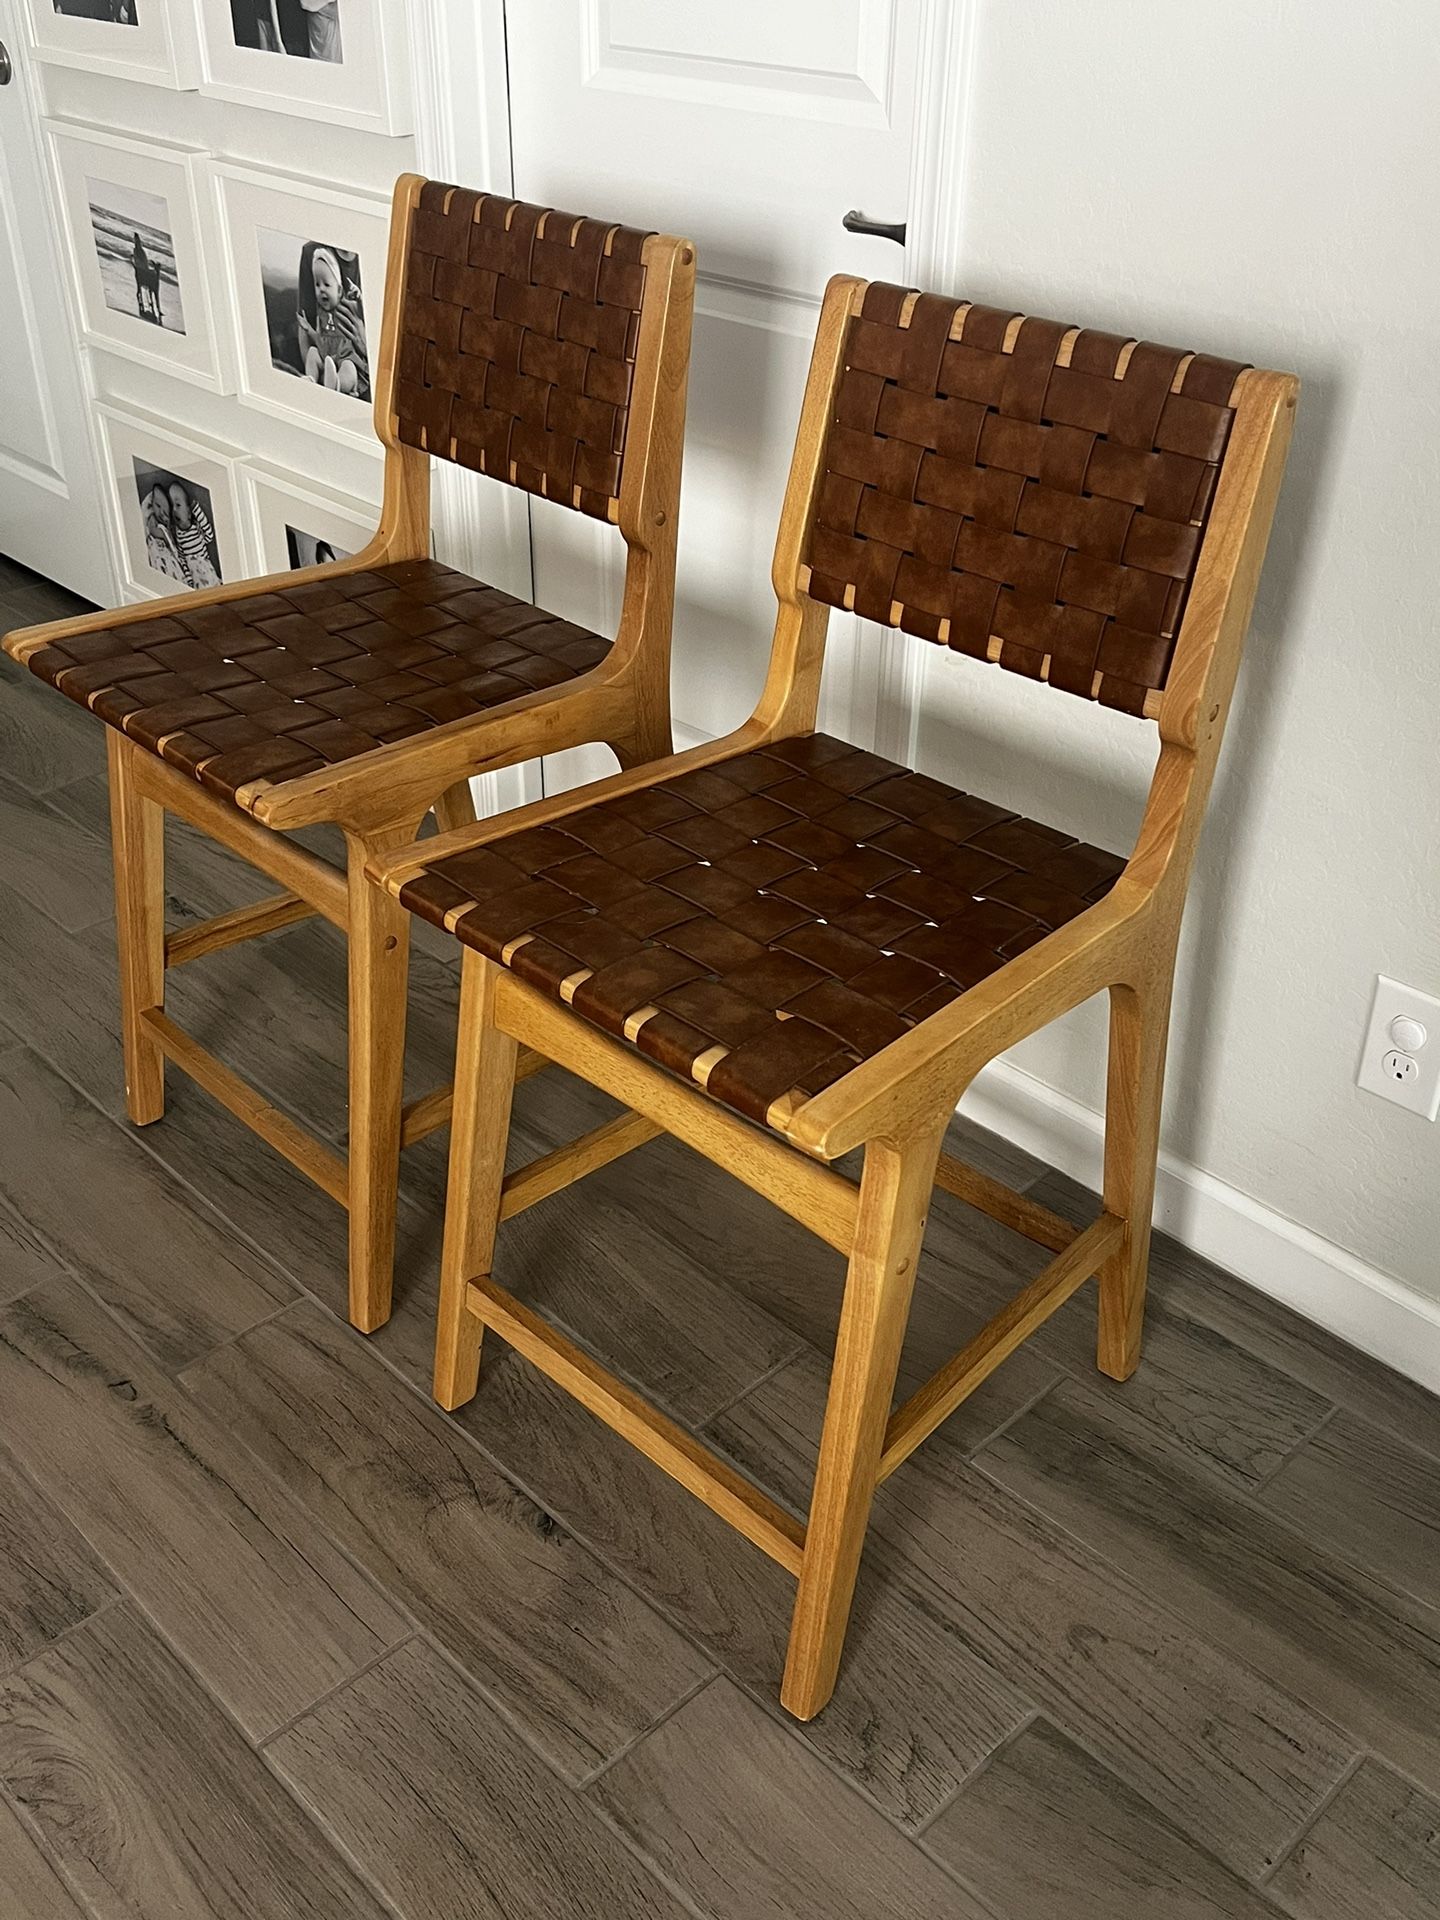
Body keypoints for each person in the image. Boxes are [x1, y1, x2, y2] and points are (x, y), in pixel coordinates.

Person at [297, 243, 368, 397]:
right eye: (317, 285)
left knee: (349, 367)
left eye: (327, 285)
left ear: (339, 290)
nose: (321, 289)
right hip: (326, 355)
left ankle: (339, 383)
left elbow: (364, 314)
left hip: (346, 355)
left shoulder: (348, 301)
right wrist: (308, 328)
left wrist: (360, 300)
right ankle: (311, 378)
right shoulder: (322, 313)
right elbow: (316, 337)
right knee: (312, 353)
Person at [167, 481, 221, 589]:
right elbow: (182, 558)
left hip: (204, 565)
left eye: (178, 505)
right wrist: (189, 579)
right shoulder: (178, 534)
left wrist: (196, 509)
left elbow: (209, 535)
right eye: (172, 505)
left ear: (188, 511)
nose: (174, 510)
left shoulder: (196, 529)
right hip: (193, 573)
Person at [141, 488, 189, 585]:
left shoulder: (164, 529)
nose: (161, 513)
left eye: (166, 513)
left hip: (166, 557)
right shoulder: (151, 518)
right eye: (157, 506)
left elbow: (158, 533)